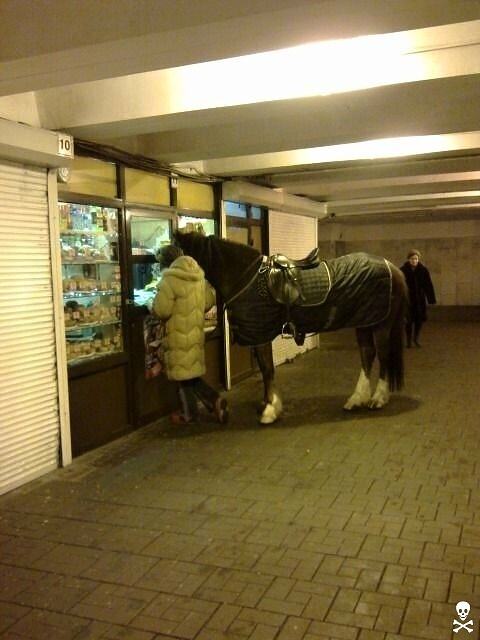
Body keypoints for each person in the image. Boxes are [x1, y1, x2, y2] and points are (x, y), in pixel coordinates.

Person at [152, 244, 228, 424]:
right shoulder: (198, 276)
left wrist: (151, 303)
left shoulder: (169, 281)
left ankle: (191, 414)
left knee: (183, 379)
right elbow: (209, 301)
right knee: (189, 376)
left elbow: (161, 310)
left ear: (166, 263)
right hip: (195, 334)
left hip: (177, 336)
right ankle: (214, 401)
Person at [400, 249, 436, 347]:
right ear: (408, 259)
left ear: (418, 259)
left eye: (416, 259)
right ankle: (408, 341)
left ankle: (415, 339)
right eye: (412, 259)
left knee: (419, 321)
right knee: (408, 321)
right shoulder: (402, 270)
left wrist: (431, 299)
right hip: (408, 300)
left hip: (419, 300)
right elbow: (399, 285)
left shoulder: (423, 270)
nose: (414, 261)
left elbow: (428, 284)